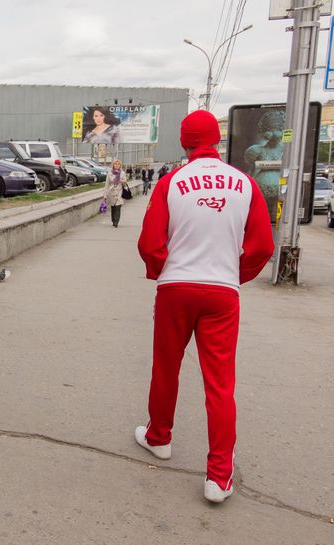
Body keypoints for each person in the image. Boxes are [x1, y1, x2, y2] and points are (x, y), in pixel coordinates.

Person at [135, 110, 274, 503]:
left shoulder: (170, 182)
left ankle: (159, 437)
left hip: (176, 288)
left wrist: (161, 269)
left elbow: (149, 244)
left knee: (166, 367)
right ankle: (219, 477)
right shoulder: (244, 183)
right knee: (220, 383)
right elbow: (263, 246)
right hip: (222, 293)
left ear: (184, 142)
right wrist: (236, 274)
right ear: (218, 140)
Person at [103, 159, 127, 228]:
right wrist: (105, 194)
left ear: (120, 165)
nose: (117, 165)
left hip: (119, 192)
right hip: (111, 192)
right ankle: (113, 220)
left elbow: (125, 184)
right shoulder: (109, 173)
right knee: (113, 207)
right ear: (113, 165)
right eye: (115, 164)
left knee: (118, 207)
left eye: (118, 164)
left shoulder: (122, 173)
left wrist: (123, 181)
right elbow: (107, 184)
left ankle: (116, 222)